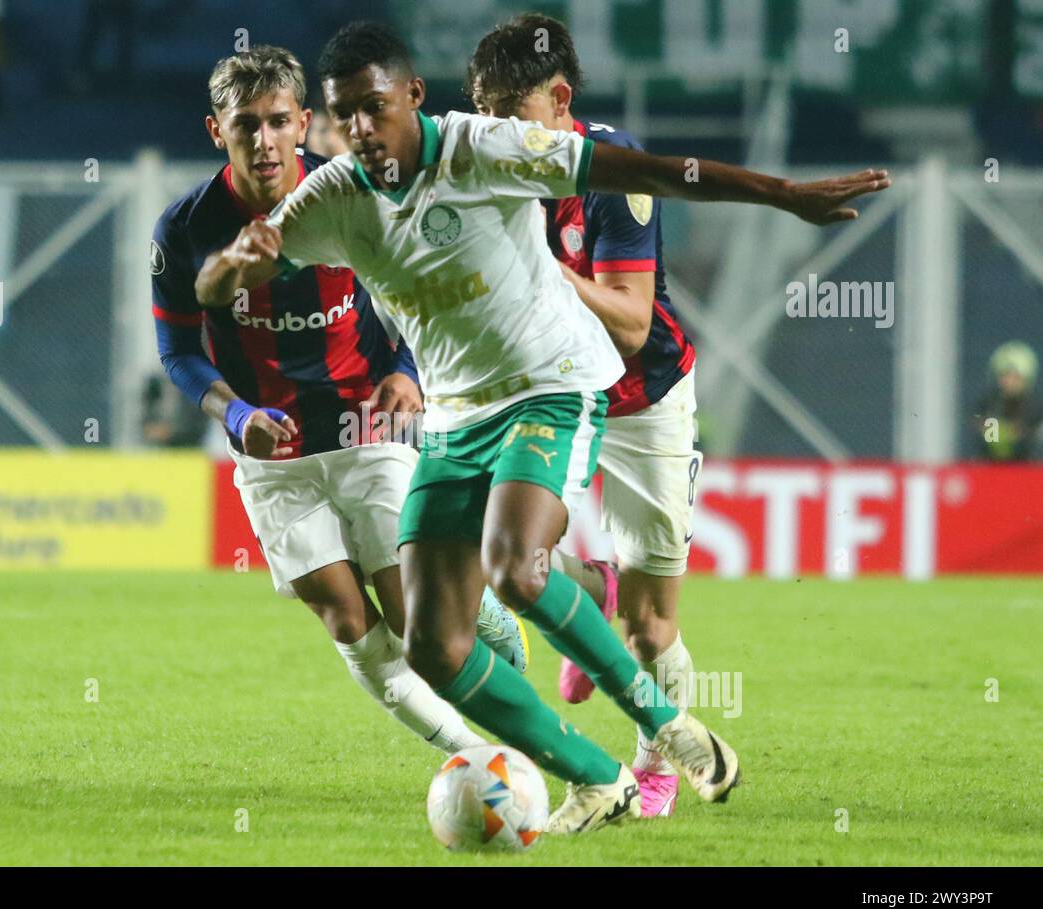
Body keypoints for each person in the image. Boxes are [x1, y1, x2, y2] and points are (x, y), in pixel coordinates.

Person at [195, 21, 889, 833]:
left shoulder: (483, 149)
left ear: (414, 98)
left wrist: (781, 194)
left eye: (375, 109)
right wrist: (233, 264)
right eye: (344, 115)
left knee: (517, 568)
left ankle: (671, 727)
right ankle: (597, 778)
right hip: (456, 418)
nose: (360, 131)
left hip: (552, 385)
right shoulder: (334, 197)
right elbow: (214, 282)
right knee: (433, 644)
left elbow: (654, 171)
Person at [152, 45, 528, 757]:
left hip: (366, 428)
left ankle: (480, 619)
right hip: (272, 453)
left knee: (417, 622)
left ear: (303, 123)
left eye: (276, 122)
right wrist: (236, 415)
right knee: (347, 619)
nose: (262, 142)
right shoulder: (185, 229)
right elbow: (178, 352)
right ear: (215, 131)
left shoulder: (354, 194)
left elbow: (430, 295)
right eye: (244, 126)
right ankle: (477, 758)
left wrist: (410, 369)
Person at [466, 12, 707, 818]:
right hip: (550, 392)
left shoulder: (614, 170)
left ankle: (658, 760)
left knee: (650, 627)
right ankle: (586, 585)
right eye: (485, 114)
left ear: (561, 99)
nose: (497, 133)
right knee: (509, 561)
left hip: (642, 399)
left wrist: (543, 271)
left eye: (513, 115)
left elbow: (634, 323)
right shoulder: (487, 171)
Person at [972, 341, 1041, 461]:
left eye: (1016, 377)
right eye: (1005, 376)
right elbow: (988, 440)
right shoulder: (989, 405)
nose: (1009, 381)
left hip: (1027, 469)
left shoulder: (1036, 409)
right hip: (992, 468)